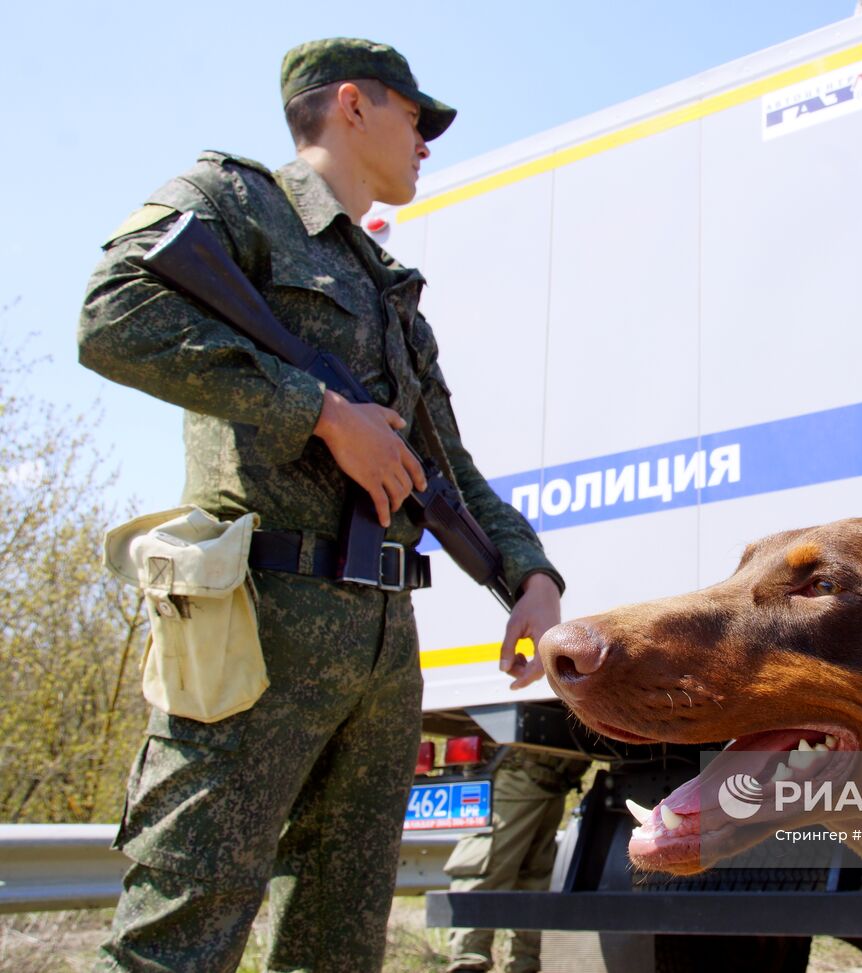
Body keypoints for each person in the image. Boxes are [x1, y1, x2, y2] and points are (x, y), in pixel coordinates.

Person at [78, 38, 564, 972]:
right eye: (415, 117)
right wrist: (323, 413)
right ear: (351, 104)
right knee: (177, 939)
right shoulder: (234, 201)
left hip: (381, 643)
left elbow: (445, 466)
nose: (426, 142)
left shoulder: (389, 285)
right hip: (258, 625)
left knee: (337, 946)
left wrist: (530, 577)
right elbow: (112, 315)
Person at [442, 746, 589, 973]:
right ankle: (468, 963)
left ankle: (523, 964)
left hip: (552, 778)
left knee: (535, 878)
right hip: (518, 771)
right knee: (489, 866)